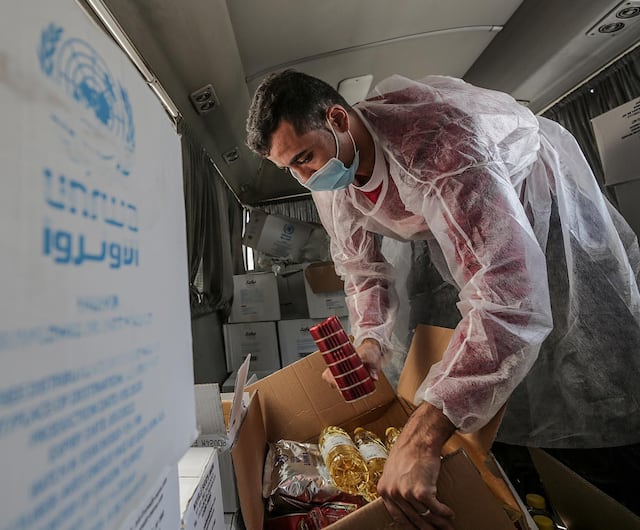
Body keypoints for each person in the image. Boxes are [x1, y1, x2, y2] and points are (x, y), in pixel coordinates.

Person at [246, 70, 640, 528]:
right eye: (290, 168)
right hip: (465, 233)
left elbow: (508, 299)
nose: (304, 177)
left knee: (585, 376)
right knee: (490, 384)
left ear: (337, 119)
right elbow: (360, 268)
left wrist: (422, 437)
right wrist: (370, 339)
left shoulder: (438, 143)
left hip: (542, 222)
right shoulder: (331, 177)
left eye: (304, 159)